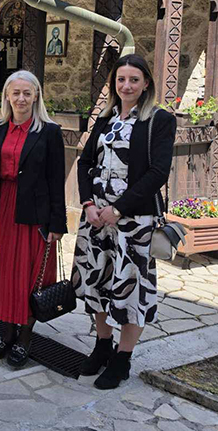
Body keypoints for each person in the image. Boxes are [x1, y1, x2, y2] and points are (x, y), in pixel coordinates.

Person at [72, 53, 176, 389]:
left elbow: (158, 172)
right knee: (96, 282)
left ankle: (122, 358)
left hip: (133, 221)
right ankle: (102, 344)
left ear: (146, 83)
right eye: (120, 79)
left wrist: (117, 209)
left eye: (134, 79)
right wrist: (88, 203)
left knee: (132, 291)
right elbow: (86, 161)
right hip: (96, 219)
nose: (126, 85)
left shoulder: (159, 120)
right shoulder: (104, 117)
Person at [0, 70, 66, 368]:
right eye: (15, 93)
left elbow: (56, 180)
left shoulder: (50, 132)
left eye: (27, 93)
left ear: (37, 95)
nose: (21, 98)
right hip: (2, 210)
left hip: (32, 216)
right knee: (3, 274)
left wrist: (57, 224)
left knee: (27, 278)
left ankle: (25, 338)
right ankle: (6, 333)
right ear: (6, 96)